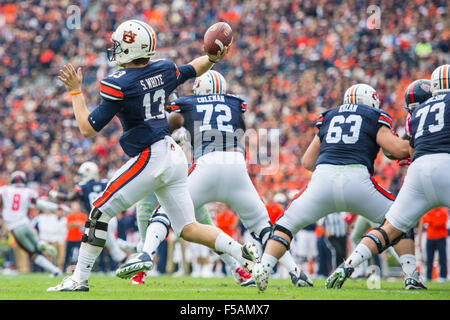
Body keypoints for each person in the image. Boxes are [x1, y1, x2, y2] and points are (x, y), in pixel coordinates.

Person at [48, 19, 259, 292]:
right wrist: (211, 57)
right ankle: (242, 251)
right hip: (173, 155)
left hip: (152, 156)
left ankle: (78, 278)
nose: (114, 48)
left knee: (99, 211)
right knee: (188, 228)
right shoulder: (163, 68)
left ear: (129, 48)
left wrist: (76, 92)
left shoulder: (117, 84)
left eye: (118, 44)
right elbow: (195, 68)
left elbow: (88, 129)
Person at [119, 69, 312, 288]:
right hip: (236, 167)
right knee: (263, 228)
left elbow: (163, 130)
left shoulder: (188, 104)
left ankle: (145, 255)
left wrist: (177, 130)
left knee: (163, 213)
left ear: (201, 88)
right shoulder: (235, 104)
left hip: (207, 166)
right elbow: (241, 133)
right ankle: (296, 272)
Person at [252, 83, 423, 291]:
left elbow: (307, 162)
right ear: (371, 101)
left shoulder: (329, 115)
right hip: (358, 181)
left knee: (285, 225)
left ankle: (265, 267)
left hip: (322, 180)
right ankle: (411, 275)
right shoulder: (373, 115)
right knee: (400, 220)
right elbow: (396, 149)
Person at [325, 64, 450, 289]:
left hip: (419, 170)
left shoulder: (419, 112)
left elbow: (407, 149)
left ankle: (348, 265)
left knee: (390, 228)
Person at [50, 161, 129, 266]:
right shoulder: (105, 183)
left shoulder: (83, 186)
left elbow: (69, 197)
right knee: (108, 242)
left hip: (99, 219)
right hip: (112, 216)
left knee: (104, 244)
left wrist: (55, 194)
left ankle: (126, 261)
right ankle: (129, 250)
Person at [0, 171, 65, 276]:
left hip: (15, 227)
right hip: (26, 224)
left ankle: (54, 269)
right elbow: (39, 204)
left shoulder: (4, 190)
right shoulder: (28, 191)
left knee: (33, 254)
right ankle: (41, 244)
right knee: (36, 247)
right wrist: (56, 207)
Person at [417, 208, 448, 282]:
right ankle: (428, 276)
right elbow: (423, 220)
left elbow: (440, 222)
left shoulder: (443, 211)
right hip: (430, 238)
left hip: (441, 238)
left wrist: (431, 220)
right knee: (429, 258)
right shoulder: (430, 211)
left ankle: (443, 276)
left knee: (442, 257)